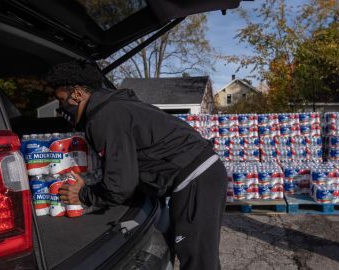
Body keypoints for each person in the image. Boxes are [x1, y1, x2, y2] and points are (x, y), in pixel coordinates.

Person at [45, 60, 228, 270]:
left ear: (77, 95)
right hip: (197, 174)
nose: (61, 109)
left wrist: (84, 194)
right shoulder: (115, 106)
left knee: (197, 259)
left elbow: (120, 185)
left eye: (61, 100)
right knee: (201, 255)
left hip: (196, 178)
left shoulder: (105, 117)